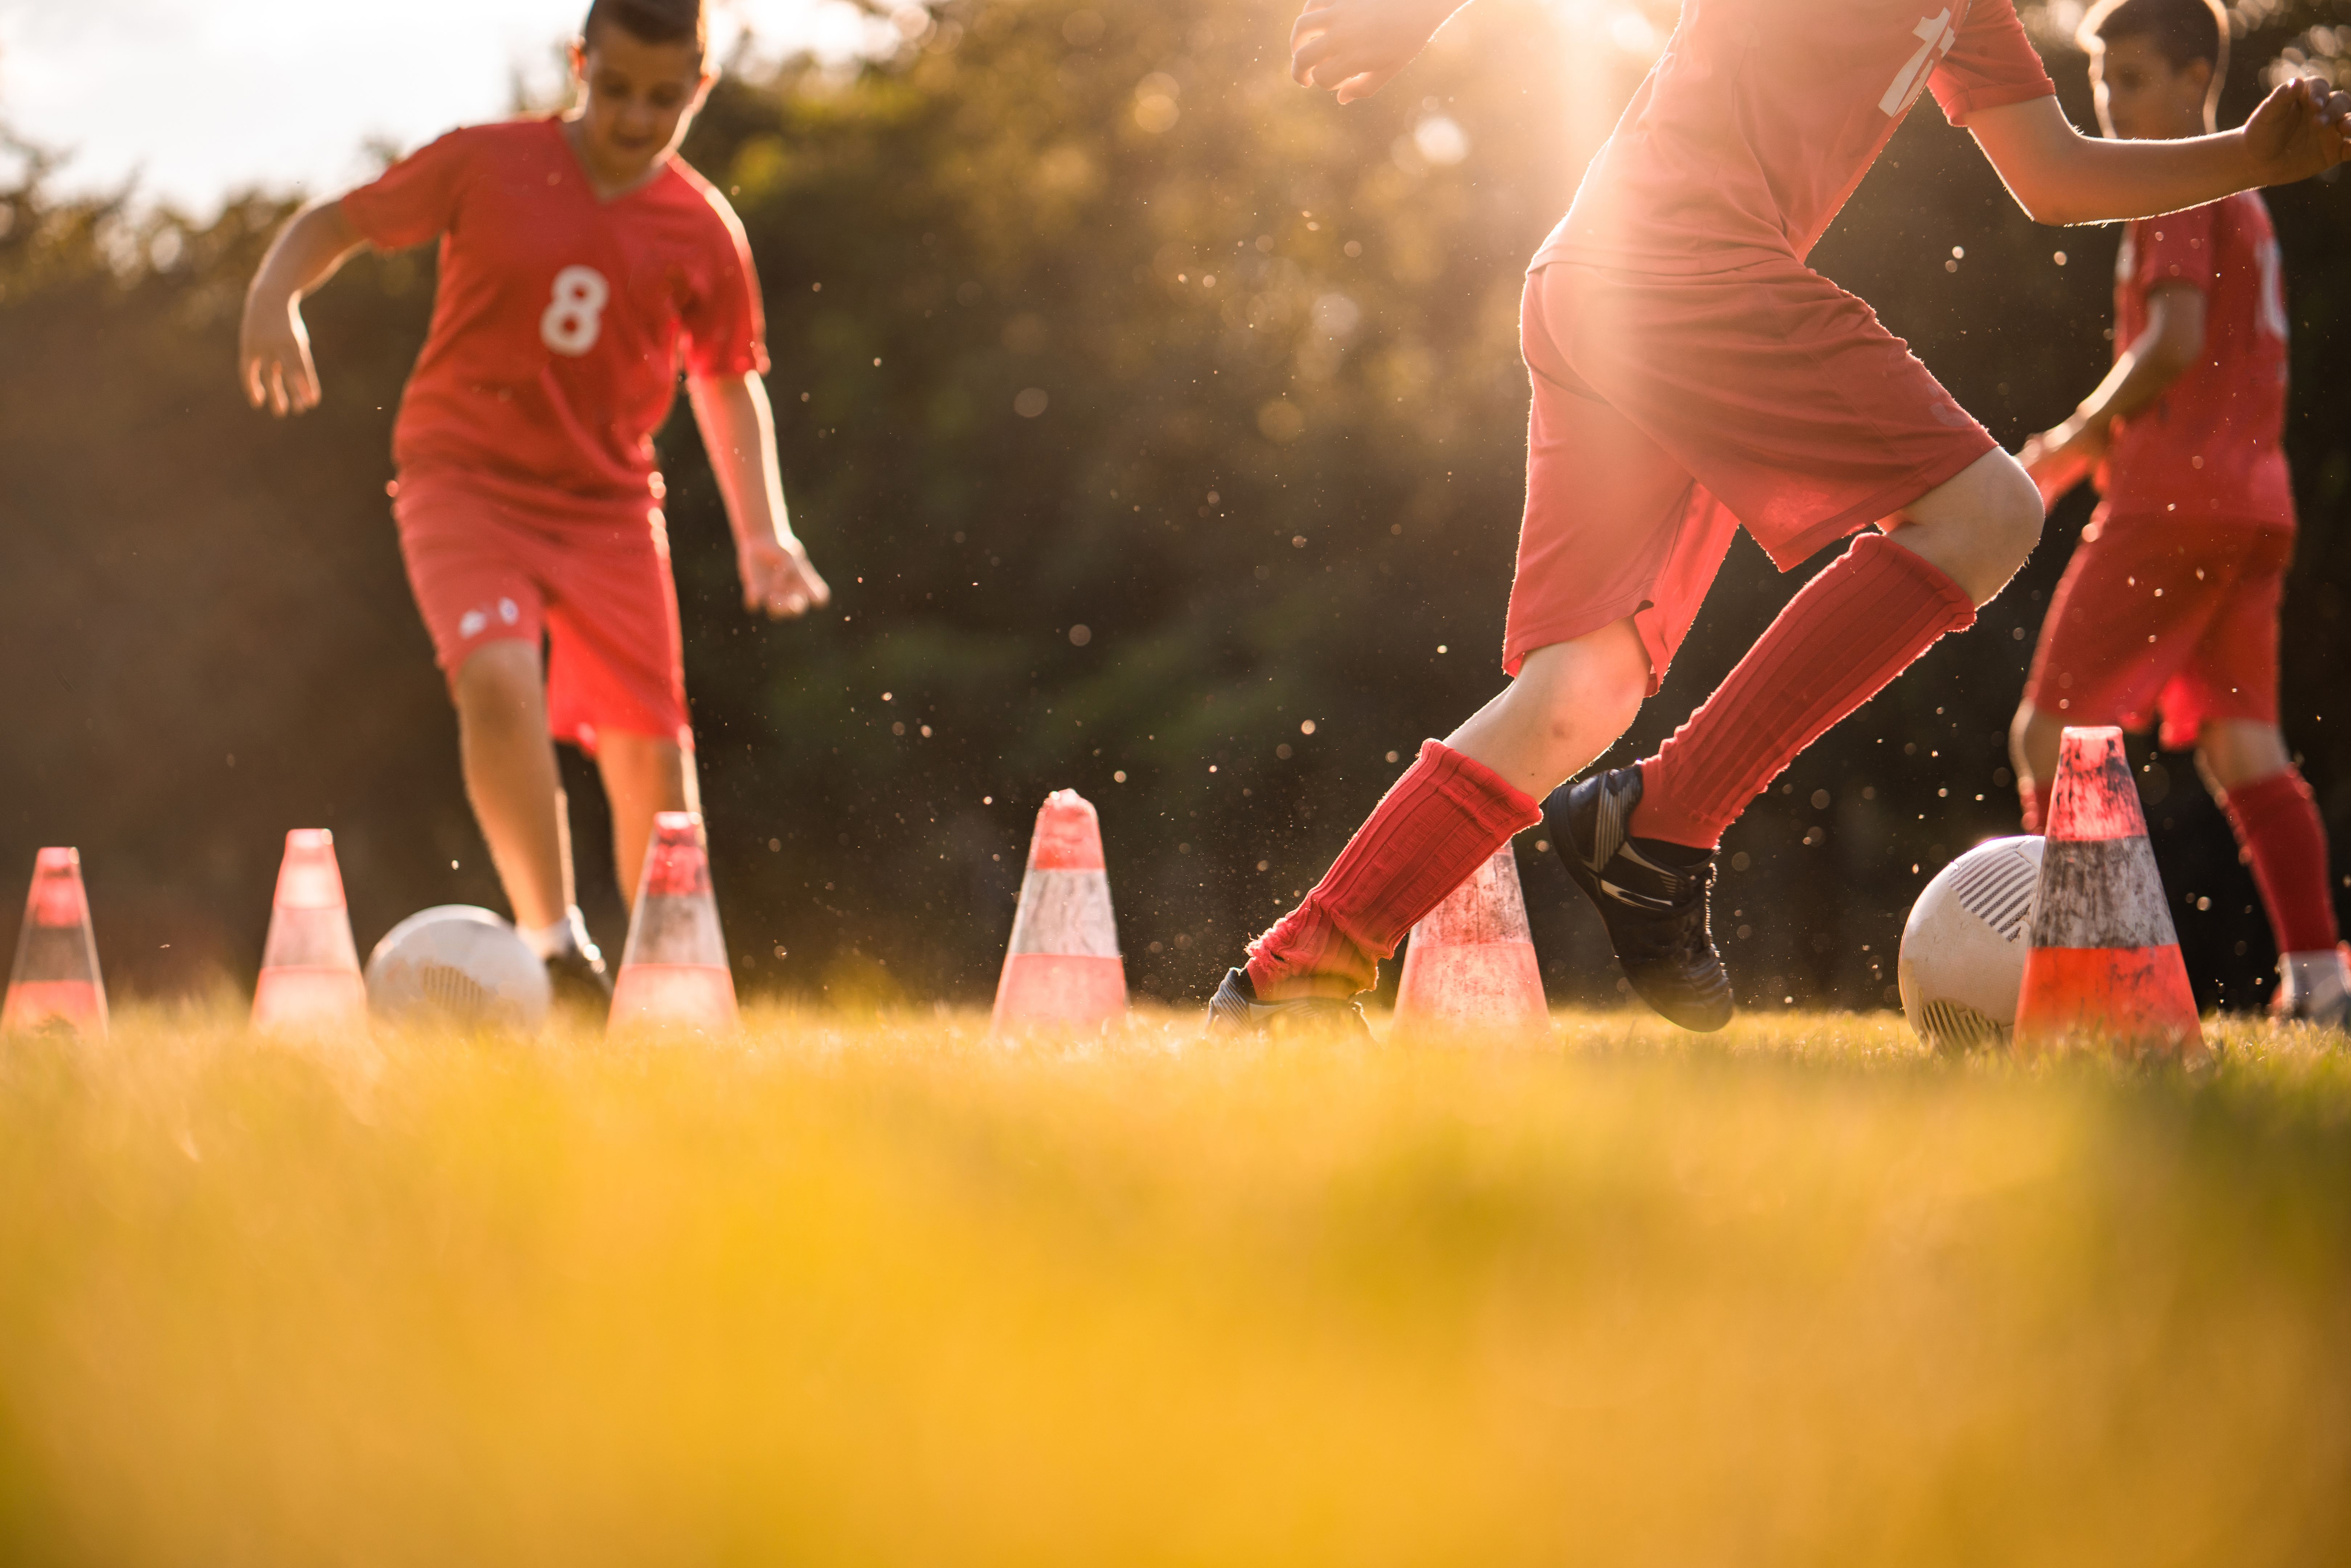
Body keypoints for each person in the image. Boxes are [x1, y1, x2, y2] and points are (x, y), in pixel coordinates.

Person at [1209, 0, 2351, 1034]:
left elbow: (2051, 178)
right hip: (1680, 270)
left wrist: (2250, 156)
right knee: (1987, 512)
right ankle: (1665, 824)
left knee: (1581, 689)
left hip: (1603, 289)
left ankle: (1293, 973)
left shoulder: (1974, 10)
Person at [238, 0, 829, 1004]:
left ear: (701, 88)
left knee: (652, 751)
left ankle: (670, 976)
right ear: (580, 62)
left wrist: (764, 532)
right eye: (617, 89)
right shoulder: (486, 163)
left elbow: (728, 381)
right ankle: (556, 947)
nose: (637, 118)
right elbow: (336, 222)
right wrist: (273, 298)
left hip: (606, 509)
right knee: (498, 679)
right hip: (463, 482)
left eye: (665, 97)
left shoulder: (702, 230)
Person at [2013, 0, 2343, 1025]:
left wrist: (2071, 439)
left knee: (2048, 735)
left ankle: (2079, 989)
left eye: (2138, 78)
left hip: (2172, 505)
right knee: (2247, 748)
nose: (2114, 103)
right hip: (2256, 511)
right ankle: (2325, 983)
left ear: (2200, 76)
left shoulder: (2181, 178)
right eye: (2105, 81)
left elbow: (2172, 342)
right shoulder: (2247, 194)